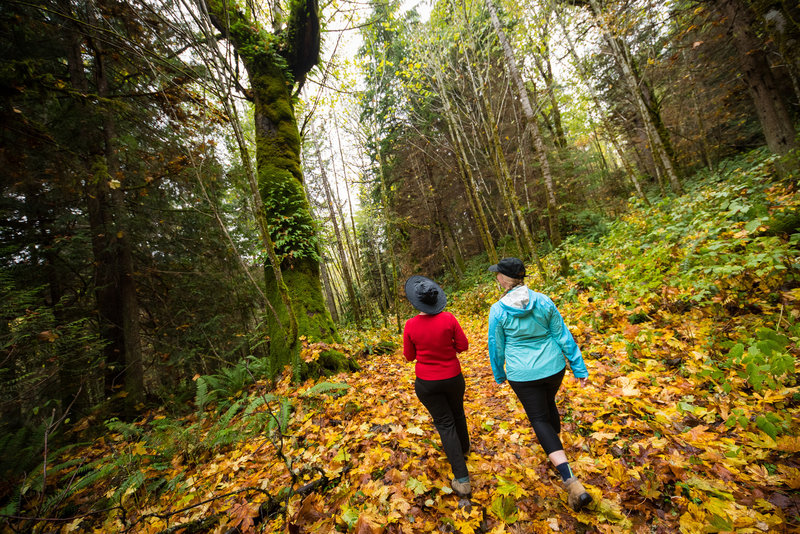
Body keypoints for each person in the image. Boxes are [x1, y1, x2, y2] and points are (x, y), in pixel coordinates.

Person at [487, 257, 593, 511]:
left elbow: (496, 345)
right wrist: (578, 366)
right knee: (547, 405)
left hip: (522, 373)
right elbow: (562, 334)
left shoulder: (498, 310)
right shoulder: (543, 300)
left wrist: (499, 373)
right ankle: (555, 448)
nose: (496, 278)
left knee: (538, 418)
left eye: (498, 275)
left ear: (504, 279)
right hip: (553, 367)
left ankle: (569, 479)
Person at [402, 275, 472, 497]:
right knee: (457, 413)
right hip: (453, 377)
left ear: (417, 302)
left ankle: (462, 478)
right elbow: (463, 346)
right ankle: (464, 449)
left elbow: (408, 356)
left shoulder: (411, 325)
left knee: (444, 423)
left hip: (427, 383)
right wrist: (448, 347)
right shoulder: (449, 319)